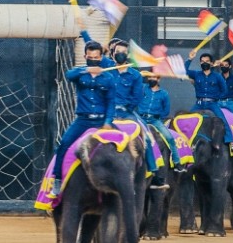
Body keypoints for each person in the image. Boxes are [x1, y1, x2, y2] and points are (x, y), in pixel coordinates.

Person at [49, 41, 116, 198]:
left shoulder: (108, 77)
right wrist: (87, 69)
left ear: (101, 57)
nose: (93, 59)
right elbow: (68, 75)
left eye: (96, 57)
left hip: (101, 121)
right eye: (90, 57)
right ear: (85, 56)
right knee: (63, 145)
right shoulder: (80, 73)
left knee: (122, 146)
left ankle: (123, 182)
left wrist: (108, 122)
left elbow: (111, 102)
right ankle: (57, 181)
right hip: (82, 121)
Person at [107, 39, 165, 187]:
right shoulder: (107, 71)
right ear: (113, 54)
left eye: (124, 52)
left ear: (127, 55)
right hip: (108, 111)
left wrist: (126, 108)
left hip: (127, 112)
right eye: (118, 52)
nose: (121, 54)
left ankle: (154, 171)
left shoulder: (135, 75)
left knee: (146, 136)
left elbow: (137, 96)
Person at [184, 51, 233, 155]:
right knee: (187, 119)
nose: (204, 63)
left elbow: (224, 90)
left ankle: (231, 143)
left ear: (211, 63)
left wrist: (216, 98)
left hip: (212, 104)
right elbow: (183, 71)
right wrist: (190, 59)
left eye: (207, 61)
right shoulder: (196, 74)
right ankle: (184, 144)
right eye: (202, 61)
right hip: (199, 103)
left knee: (223, 120)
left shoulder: (217, 76)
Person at [138, 74, 186, 174]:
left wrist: (157, 116)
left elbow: (166, 110)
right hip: (141, 118)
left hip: (155, 120)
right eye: (150, 77)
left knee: (170, 138)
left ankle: (177, 162)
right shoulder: (143, 88)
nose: (151, 79)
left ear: (159, 79)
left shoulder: (164, 94)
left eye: (154, 77)